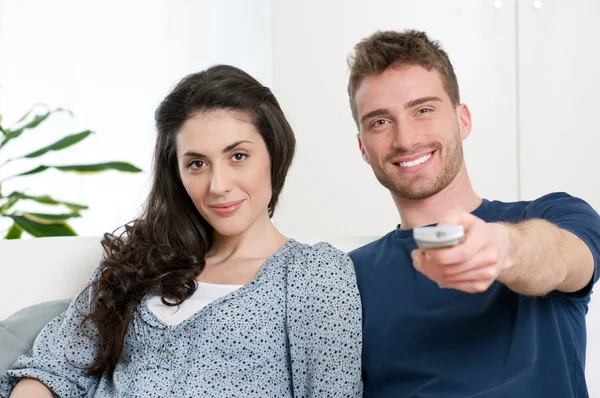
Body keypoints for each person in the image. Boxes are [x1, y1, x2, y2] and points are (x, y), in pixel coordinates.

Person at [0, 65, 363, 398]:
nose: (218, 185)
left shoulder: (314, 275)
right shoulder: (139, 261)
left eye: (238, 156)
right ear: (176, 171)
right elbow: (52, 369)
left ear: (274, 153)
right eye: (197, 164)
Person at [346, 29, 600, 397]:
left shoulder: (555, 215)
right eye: (380, 122)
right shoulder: (345, 278)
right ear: (363, 147)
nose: (405, 139)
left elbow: (560, 256)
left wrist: (503, 249)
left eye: (423, 110)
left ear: (462, 119)